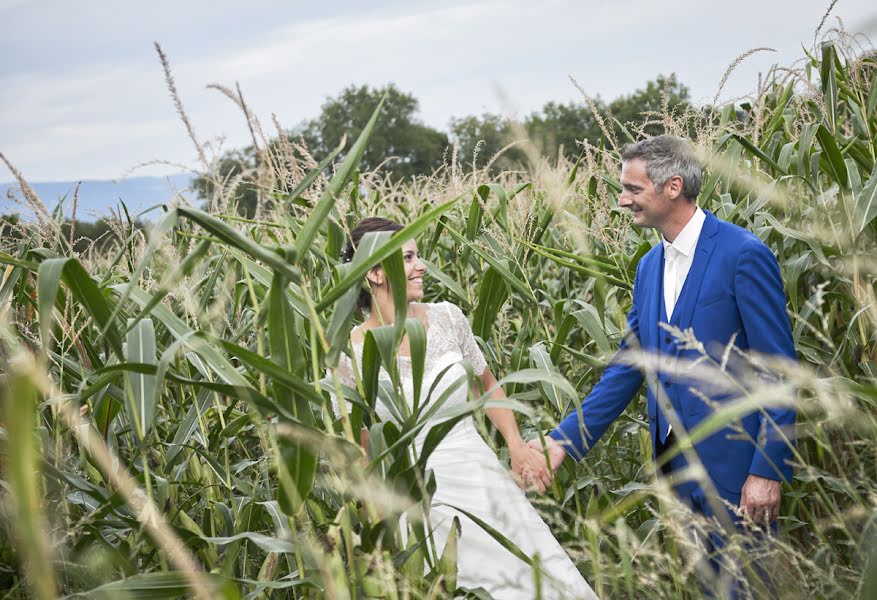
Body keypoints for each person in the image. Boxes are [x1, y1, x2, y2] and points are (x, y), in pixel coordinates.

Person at [525, 136, 796, 591]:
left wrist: (766, 470)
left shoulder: (741, 254)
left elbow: (779, 370)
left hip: (735, 473)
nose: (621, 199)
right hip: (674, 470)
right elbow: (628, 367)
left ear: (673, 186)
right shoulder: (648, 266)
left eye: (632, 189)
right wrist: (562, 442)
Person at [332, 217, 597, 599]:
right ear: (375, 272)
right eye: (408, 258)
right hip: (417, 501)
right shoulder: (351, 353)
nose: (422, 266)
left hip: (483, 481)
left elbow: (488, 387)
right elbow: (361, 448)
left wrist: (517, 445)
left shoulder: (447, 318)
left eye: (418, 256)